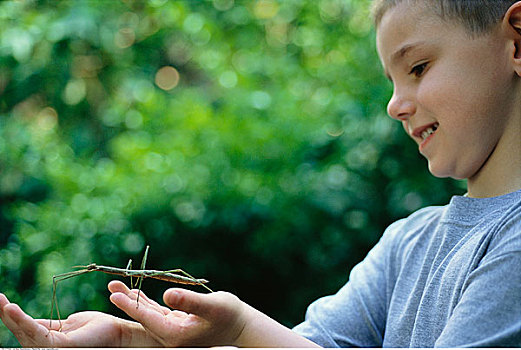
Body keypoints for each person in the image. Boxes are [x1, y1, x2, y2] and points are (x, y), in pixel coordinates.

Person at [1, 0, 521, 346]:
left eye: (418, 68)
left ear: (516, 42)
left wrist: (245, 325)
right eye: (390, 81)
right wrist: (137, 342)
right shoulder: (408, 243)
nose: (394, 106)